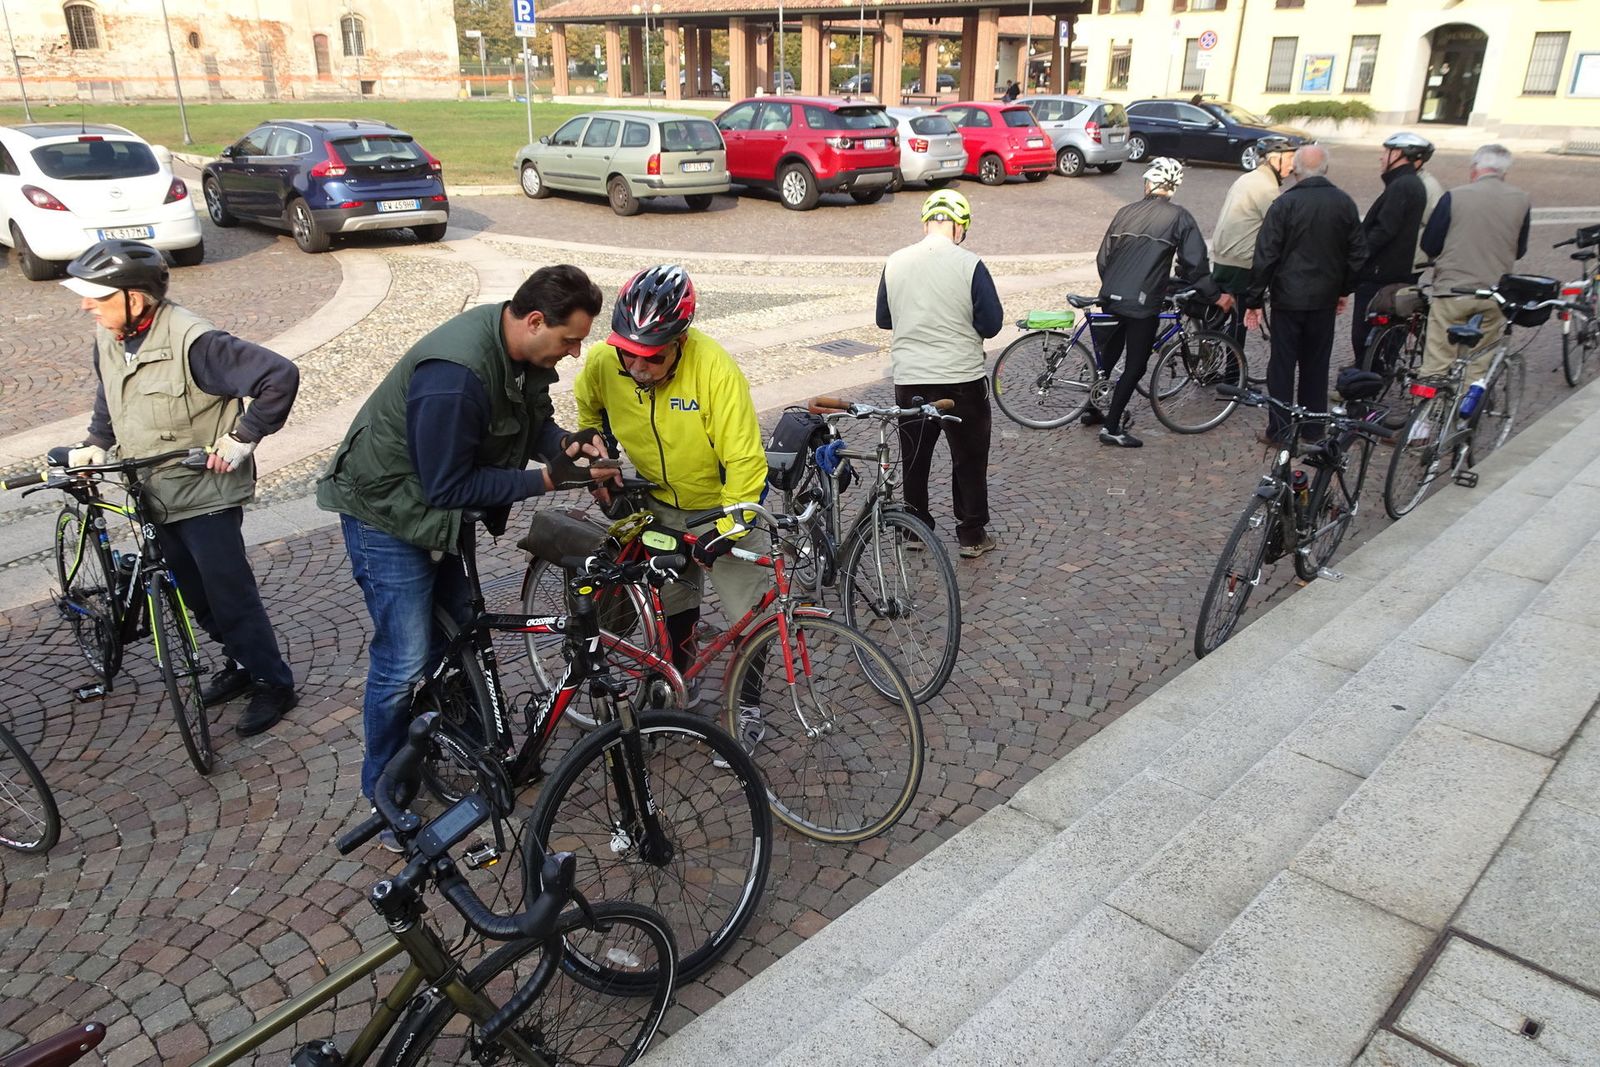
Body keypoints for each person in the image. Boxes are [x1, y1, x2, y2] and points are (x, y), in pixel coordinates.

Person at [316, 265, 608, 817]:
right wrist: (546, 480)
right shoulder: (455, 376)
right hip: (386, 510)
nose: (575, 353)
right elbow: (446, 486)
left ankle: (480, 752)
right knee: (404, 661)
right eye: (569, 340)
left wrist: (566, 445)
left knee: (462, 635)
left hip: (436, 510)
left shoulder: (522, 353)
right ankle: (384, 796)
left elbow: (533, 423)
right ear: (535, 321)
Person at [60, 240, 299, 736]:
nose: (86, 305)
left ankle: (273, 682)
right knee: (194, 593)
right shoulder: (111, 335)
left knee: (229, 595)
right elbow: (110, 394)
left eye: (97, 296)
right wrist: (97, 442)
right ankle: (239, 662)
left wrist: (242, 437)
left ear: (135, 298)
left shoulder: (196, 342)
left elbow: (279, 376)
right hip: (153, 493)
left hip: (204, 493)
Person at [570, 265, 770, 713]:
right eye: (629, 354)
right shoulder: (603, 362)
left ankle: (747, 707)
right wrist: (603, 453)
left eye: (653, 358)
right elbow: (588, 406)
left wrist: (730, 528)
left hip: (721, 506)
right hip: (659, 503)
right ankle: (683, 681)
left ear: (680, 341)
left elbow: (744, 460)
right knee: (674, 601)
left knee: (750, 613)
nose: (639, 368)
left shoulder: (715, 370)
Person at [876, 189, 1002, 555]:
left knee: (915, 458)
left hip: (910, 377)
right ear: (960, 227)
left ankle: (915, 531)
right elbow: (992, 324)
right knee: (969, 458)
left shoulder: (895, 261)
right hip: (961, 378)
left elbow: (884, 318)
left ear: (925, 224)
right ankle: (972, 535)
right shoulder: (970, 264)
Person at [1091, 158, 1229, 448]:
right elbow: (1195, 264)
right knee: (1136, 366)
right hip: (1142, 303)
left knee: (1110, 354)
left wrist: (1114, 286)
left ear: (1148, 184)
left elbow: (1103, 258)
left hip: (1110, 295)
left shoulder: (1125, 212)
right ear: (1173, 187)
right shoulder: (1178, 217)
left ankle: (1092, 409)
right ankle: (1111, 427)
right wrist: (1215, 295)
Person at [1245, 144, 1365, 443]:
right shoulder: (1344, 203)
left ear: (1296, 170)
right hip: (1323, 297)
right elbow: (1358, 253)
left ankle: (1280, 429)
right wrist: (1344, 288)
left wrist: (1254, 298)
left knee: (1282, 365)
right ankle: (1313, 428)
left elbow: (1266, 254)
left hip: (1289, 297)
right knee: (1316, 365)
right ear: (1325, 169)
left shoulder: (1285, 204)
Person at [1418, 143, 1532, 383]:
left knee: (1438, 359)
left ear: (1474, 168)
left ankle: (1428, 404)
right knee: (1479, 362)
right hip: (1494, 292)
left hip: (1452, 290)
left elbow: (1430, 244)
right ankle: (1468, 402)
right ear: (1504, 172)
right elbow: (1519, 250)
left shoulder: (1454, 196)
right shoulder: (1521, 200)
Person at [1348, 132, 1430, 371]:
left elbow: (1384, 230)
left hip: (1379, 274)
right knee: (1376, 337)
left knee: (1364, 336)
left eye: (1386, 152)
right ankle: (1373, 375)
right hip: (1391, 271)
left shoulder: (1402, 186)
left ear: (1400, 154)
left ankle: (1365, 382)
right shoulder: (1408, 183)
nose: (1381, 157)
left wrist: (1357, 257)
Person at [1209, 135, 1298, 343]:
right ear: (1274, 159)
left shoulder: (1248, 178)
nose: (1293, 165)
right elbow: (1281, 231)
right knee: (1238, 323)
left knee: (1218, 319)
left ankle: (1208, 353)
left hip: (1223, 258)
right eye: (1290, 158)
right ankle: (1233, 364)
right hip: (1242, 263)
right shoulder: (1266, 189)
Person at [1409, 137, 1444, 274]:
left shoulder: (1428, 186)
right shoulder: (1401, 181)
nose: (1382, 158)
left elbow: (1436, 225)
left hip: (1411, 262)